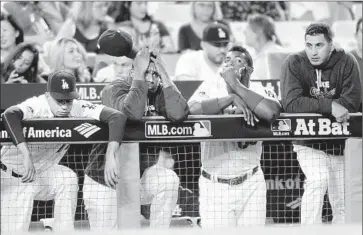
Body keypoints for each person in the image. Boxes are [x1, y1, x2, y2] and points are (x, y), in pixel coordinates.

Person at [82, 30, 189, 229]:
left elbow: (179, 113)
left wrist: (163, 72)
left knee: (168, 180)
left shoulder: (158, 92)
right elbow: (132, 113)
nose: (150, 78)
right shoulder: (114, 88)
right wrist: (141, 73)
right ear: (132, 72)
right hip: (104, 181)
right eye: (145, 72)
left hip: (139, 178)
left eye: (154, 74)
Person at [0, 70, 127, 233]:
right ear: (47, 96)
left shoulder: (78, 107)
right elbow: (9, 115)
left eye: (68, 101)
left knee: (67, 178)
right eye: (59, 101)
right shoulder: (38, 105)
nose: (64, 106)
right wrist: (25, 155)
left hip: (42, 173)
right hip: (14, 176)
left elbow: (117, 117)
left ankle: (63, 230)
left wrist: (110, 155)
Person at [188, 45, 281, 228]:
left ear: (249, 69)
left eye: (238, 61)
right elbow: (190, 110)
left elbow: (271, 112)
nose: (230, 64)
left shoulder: (259, 89)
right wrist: (228, 99)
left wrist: (236, 87)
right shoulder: (210, 86)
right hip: (214, 184)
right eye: (227, 61)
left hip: (251, 182)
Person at [281, 22, 362, 224]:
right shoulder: (294, 62)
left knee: (342, 204)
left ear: (331, 45)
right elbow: (291, 104)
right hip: (308, 141)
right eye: (309, 45)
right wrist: (329, 107)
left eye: (319, 45)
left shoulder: (347, 61)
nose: (313, 52)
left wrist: (316, 106)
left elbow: (350, 105)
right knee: (317, 180)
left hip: (339, 143)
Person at [243, 13, 285, 81]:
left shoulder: (277, 54)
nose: (244, 32)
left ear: (259, 31)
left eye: (248, 28)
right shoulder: (250, 56)